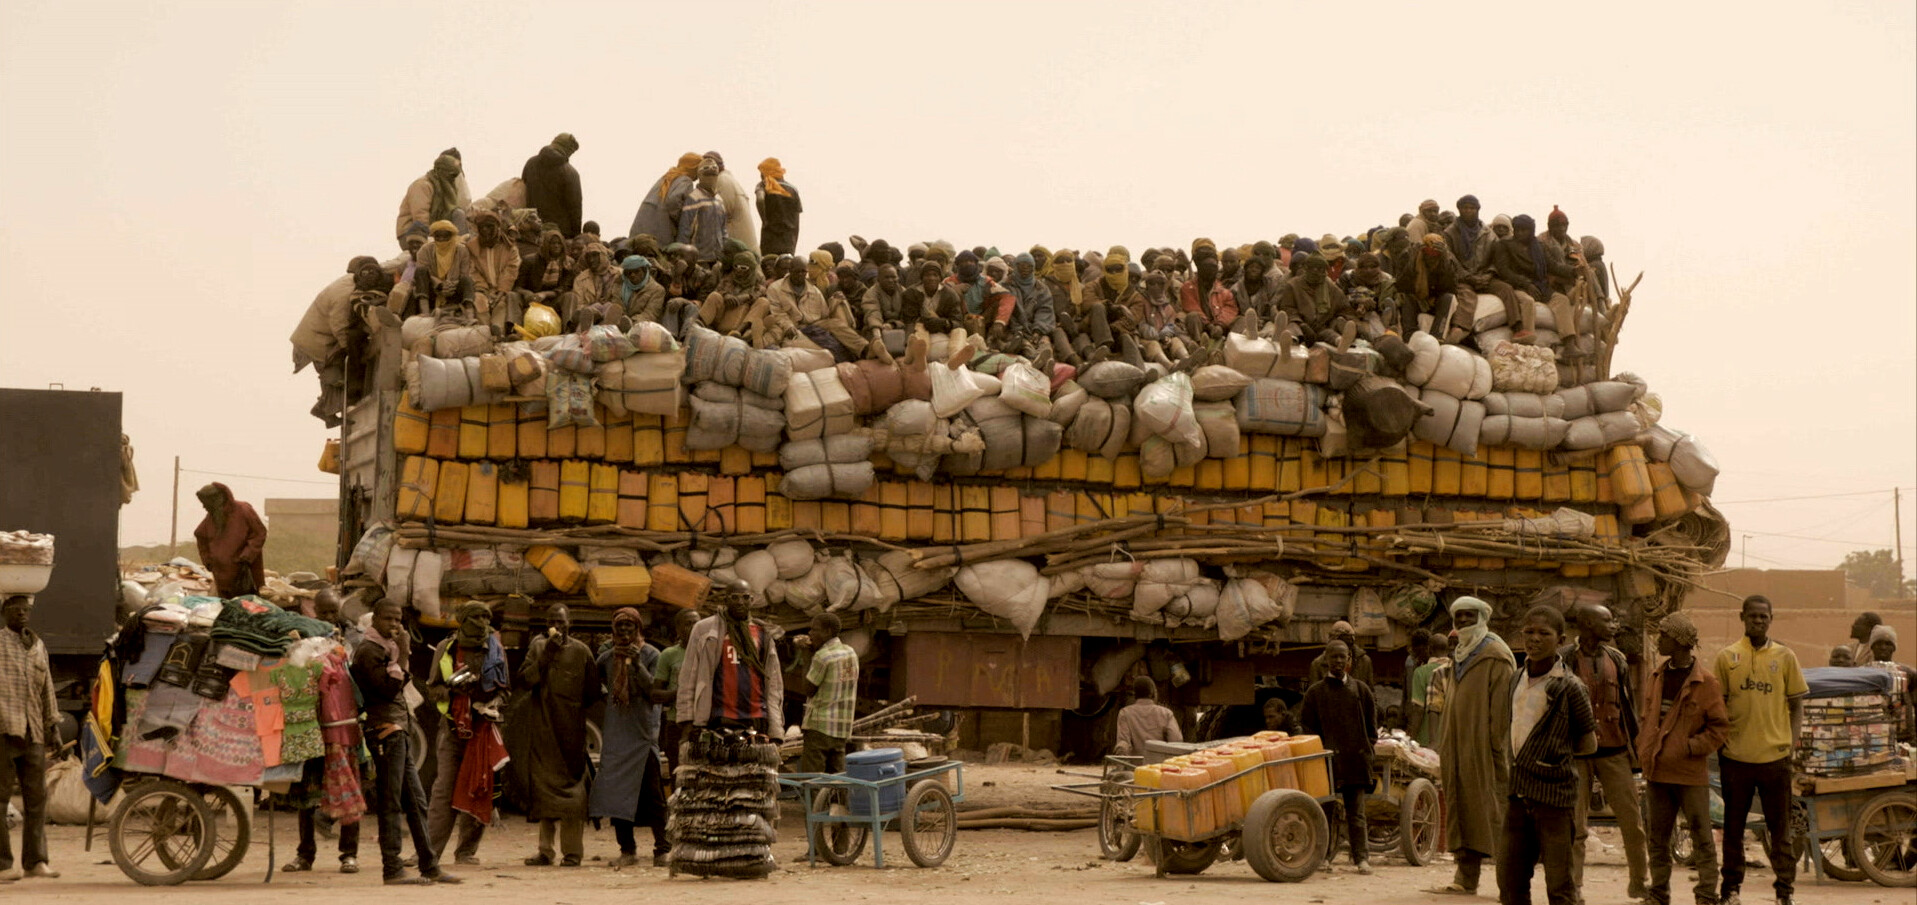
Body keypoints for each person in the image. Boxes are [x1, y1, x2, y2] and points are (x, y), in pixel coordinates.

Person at [352, 600, 461, 886]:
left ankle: (429, 864)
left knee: (416, 801)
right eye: (388, 619)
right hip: (385, 731)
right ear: (375, 619)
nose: (394, 625)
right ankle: (392, 868)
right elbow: (387, 691)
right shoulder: (369, 651)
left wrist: (401, 654)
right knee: (391, 803)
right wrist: (402, 658)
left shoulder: (386, 649)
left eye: (398, 619)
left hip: (399, 730)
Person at [1499, 605, 1597, 905]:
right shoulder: (1516, 680)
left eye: (1544, 633)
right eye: (1529, 632)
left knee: (1559, 885)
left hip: (1555, 799)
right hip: (1518, 795)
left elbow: (1588, 743)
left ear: (1561, 639)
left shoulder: (1570, 688)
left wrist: (1550, 757)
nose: (1535, 639)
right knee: (1511, 882)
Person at [1714, 595, 1807, 905]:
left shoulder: (1785, 657)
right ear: (1743, 617)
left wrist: (1791, 742)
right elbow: (1718, 706)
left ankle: (1785, 893)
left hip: (1775, 760)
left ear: (1771, 618)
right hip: (1735, 759)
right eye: (1753, 616)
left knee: (1780, 830)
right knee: (1733, 829)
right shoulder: (1727, 657)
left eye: (1763, 616)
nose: (1758, 621)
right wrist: (1723, 742)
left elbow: (1796, 704)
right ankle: (1730, 891)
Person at [1639, 612, 1730, 905]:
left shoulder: (1706, 683)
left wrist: (1688, 748)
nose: (1659, 640)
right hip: (1657, 772)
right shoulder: (1657, 676)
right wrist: (1645, 747)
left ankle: (1706, 894)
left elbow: (1719, 729)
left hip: (1690, 774)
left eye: (1663, 635)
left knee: (1702, 836)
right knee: (1657, 839)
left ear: (1678, 641)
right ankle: (1659, 894)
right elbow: (1648, 716)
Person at [1432, 596, 1516, 897]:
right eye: (1459, 617)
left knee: (1493, 811)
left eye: (1470, 616)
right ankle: (1465, 878)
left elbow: (1502, 712)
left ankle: (1511, 884)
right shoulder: (1461, 653)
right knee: (1462, 809)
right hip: (1457, 746)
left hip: (1484, 748)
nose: (1464, 622)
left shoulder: (1496, 654)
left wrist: (1494, 747)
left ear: (1482, 618)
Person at [1565, 604, 1648, 898]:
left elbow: (1628, 706)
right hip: (1578, 753)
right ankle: (1573, 887)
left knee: (1631, 820)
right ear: (1587, 624)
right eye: (1607, 621)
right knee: (1576, 826)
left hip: (1614, 750)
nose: (1614, 626)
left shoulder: (1617, 660)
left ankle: (1640, 880)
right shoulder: (1565, 659)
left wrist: (1636, 748)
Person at [426, 602, 510, 865]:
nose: (483, 622)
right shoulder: (446, 648)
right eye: (477, 616)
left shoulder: (496, 650)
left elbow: (505, 691)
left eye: (487, 616)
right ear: (463, 620)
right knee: (444, 791)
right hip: (452, 729)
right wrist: (454, 689)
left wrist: (492, 704)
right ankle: (430, 852)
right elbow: (433, 688)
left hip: (484, 729)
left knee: (479, 788)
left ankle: (465, 852)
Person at [286, 590, 363, 874]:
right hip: (312, 727)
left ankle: (349, 854)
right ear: (315, 611)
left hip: (344, 727)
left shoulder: (353, 639)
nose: (330, 618)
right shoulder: (304, 642)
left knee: (348, 789)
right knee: (308, 794)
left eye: (334, 612)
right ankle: (305, 854)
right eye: (325, 612)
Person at [514, 606, 597, 867]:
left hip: (571, 732)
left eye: (560, 621)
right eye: (551, 621)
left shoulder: (581, 651)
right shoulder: (537, 647)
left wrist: (571, 707)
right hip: (543, 731)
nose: (556, 626)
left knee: (574, 795)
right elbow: (525, 681)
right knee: (544, 790)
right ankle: (545, 851)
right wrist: (545, 658)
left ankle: (572, 853)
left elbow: (593, 691)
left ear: (569, 623)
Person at [590, 608, 669, 868]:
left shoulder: (651, 655)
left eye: (630, 627)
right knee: (617, 793)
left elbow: (654, 692)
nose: (625, 632)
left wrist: (636, 664)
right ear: (613, 631)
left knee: (654, 795)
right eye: (620, 627)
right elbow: (594, 685)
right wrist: (608, 696)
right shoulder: (606, 658)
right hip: (616, 733)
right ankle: (628, 850)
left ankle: (662, 849)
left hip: (643, 733)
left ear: (638, 629)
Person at [1301, 639, 1379, 874]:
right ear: (1326, 660)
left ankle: (1361, 859)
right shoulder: (1315, 693)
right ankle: (1323, 858)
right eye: (1333, 657)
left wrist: (1365, 749)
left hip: (1355, 761)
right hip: (1327, 762)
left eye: (1342, 657)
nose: (1338, 661)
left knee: (1356, 814)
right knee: (1325, 813)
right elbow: (1308, 728)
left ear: (1349, 661)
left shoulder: (1361, 690)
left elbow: (1371, 729)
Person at [0, 596, 57, 882]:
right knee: (0, 800)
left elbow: (47, 688)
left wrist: (53, 726)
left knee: (37, 799)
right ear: (3, 613)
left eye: (26, 609)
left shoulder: (37, 646)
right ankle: (3, 865)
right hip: (3, 730)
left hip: (32, 731)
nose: (21, 613)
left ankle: (36, 862)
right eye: (15, 609)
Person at [679, 582, 784, 737]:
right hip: (720, 716)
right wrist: (687, 719)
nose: (740, 602)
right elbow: (689, 675)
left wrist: (776, 728)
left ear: (752, 600)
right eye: (734, 597)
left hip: (756, 716)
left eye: (745, 597)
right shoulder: (705, 630)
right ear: (726, 600)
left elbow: (774, 681)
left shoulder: (763, 632)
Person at [788, 613, 859, 774]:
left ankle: (815, 800)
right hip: (841, 727)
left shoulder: (823, 656)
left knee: (814, 778)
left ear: (827, 632)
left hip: (820, 727)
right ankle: (840, 800)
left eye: (815, 630)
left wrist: (806, 655)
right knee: (838, 776)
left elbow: (808, 689)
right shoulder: (850, 653)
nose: (810, 633)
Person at [193, 482, 267, 598]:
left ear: (216, 500)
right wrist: (208, 561)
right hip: (222, 575)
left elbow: (259, 533)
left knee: (249, 605)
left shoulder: (243, 510)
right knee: (229, 608)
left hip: (246, 573)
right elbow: (199, 535)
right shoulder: (212, 517)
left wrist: (246, 556)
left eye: (206, 503)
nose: (204, 507)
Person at [652, 609, 701, 775]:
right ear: (678, 629)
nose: (694, 627)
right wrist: (683, 692)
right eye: (688, 623)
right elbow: (655, 694)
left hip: (704, 724)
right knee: (679, 774)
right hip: (676, 723)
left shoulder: (711, 653)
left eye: (697, 623)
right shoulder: (669, 655)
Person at [465, 209, 522, 335]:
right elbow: (472, 271)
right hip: (482, 289)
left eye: (489, 226)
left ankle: (498, 332)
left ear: (497, 227)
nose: (485, 230)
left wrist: (500, 291)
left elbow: (511, 271)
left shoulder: (510, 248)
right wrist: (483, 290)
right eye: (482, 227)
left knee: (501, 305)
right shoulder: (471, 248)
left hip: (502, 291)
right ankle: (484, 333)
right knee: (479, 301)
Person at [1275, 253, 1351, 343]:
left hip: (1323, 327)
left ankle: (1340, 341)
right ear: (1306, 268)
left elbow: (1344, 309)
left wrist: (1336, 321)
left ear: (1324, 271)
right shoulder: (1292, 285)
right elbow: (1288, 308)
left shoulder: (1332, 288)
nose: (1315, 271)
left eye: (1319, 269)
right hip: (1299, 324)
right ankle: (1291, 342)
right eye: (1312, 268)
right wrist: (1302, 324)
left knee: (1330, 334)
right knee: (1293, 328)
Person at [629, 152, 701, 245]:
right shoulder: (686, 181)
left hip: (641, 229)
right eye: (697, 169)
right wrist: (682, 221)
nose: (698, 176)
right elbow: (673, 201)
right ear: (692, 168)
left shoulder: (667, 177)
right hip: (660, 230)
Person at [396, 152, 469, 240]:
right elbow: (420, 217)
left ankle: (461, 245)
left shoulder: (444, 189)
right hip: (412, 233)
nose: (453, 179)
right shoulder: (422, 185)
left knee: (458, 213)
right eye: (451, 175)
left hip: (436, 230)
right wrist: (435, 237)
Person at [521, 133, 582, 238]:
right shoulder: (570, 173)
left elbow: (523, 189)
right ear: (568, 149)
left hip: (531, 229)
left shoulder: (531, 163)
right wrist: (576, 235)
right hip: (559, 234)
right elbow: (575, 208)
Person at [1408, 630, 1454, 749]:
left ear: (1429, 649)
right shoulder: (1455, 670)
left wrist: (1411, 738)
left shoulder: (1420, 672)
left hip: (1426, 739)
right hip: (1451, 736)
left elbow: (1418, 709)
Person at [1113, 675, 1181, 755]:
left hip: (1135, 765)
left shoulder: (1125, 713)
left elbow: (1123, 743)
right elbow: (1176, 740)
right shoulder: (1166, 713)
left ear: (1135, 694)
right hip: (1160, 764)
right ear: (1153, 693)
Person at [677, 159, 728, 263]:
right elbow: (684, 230)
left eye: (713, 175)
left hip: (717, 258)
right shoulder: (693, 198)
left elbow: (724, 231)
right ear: (700, 176)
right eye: (707, 175)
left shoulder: (719, 200)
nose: (711, 179)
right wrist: (683, 257)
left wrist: (725, 252)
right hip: (699, 259)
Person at [516, 228, 573, 316]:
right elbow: (517, 287)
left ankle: (569, 327)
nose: (556, 246)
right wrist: (527, 293)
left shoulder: (568, 263)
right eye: (553, 243)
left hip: (553, 300)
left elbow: (565, 288)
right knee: (511, 295)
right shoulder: (529, 260)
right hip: (532, 299)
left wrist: (545, 294)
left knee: (570, 296)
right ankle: (511, 326)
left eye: (559, 243)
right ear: (546, 244)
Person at [755, 158, 802, 255]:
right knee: (785, 268)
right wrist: (793, 244)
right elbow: (797, 222)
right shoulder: (793, 189)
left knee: (769, 267)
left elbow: (760, 200)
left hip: (769, 241)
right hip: (788, 242)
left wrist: (764, 220)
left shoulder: (764, 185)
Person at [1308, 621, 1374, 686]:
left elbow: (1370, 691)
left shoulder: (1364, 661)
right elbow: (1313, 693)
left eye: (1348, 642)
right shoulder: (1318, 664)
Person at [1444, 194, 1496, 275]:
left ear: (1477, 210)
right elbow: (1449, 258)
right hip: (1460, 278)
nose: (1468, 211)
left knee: (1505, 288)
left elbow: (1497, 258)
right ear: (1459, 210)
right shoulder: (1450, 233)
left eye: (1472, 208)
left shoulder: (1488, 233)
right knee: (1465, 288)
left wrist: (1489, 275)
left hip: (1485, 275)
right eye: (1465, 208)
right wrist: (1468, 277)